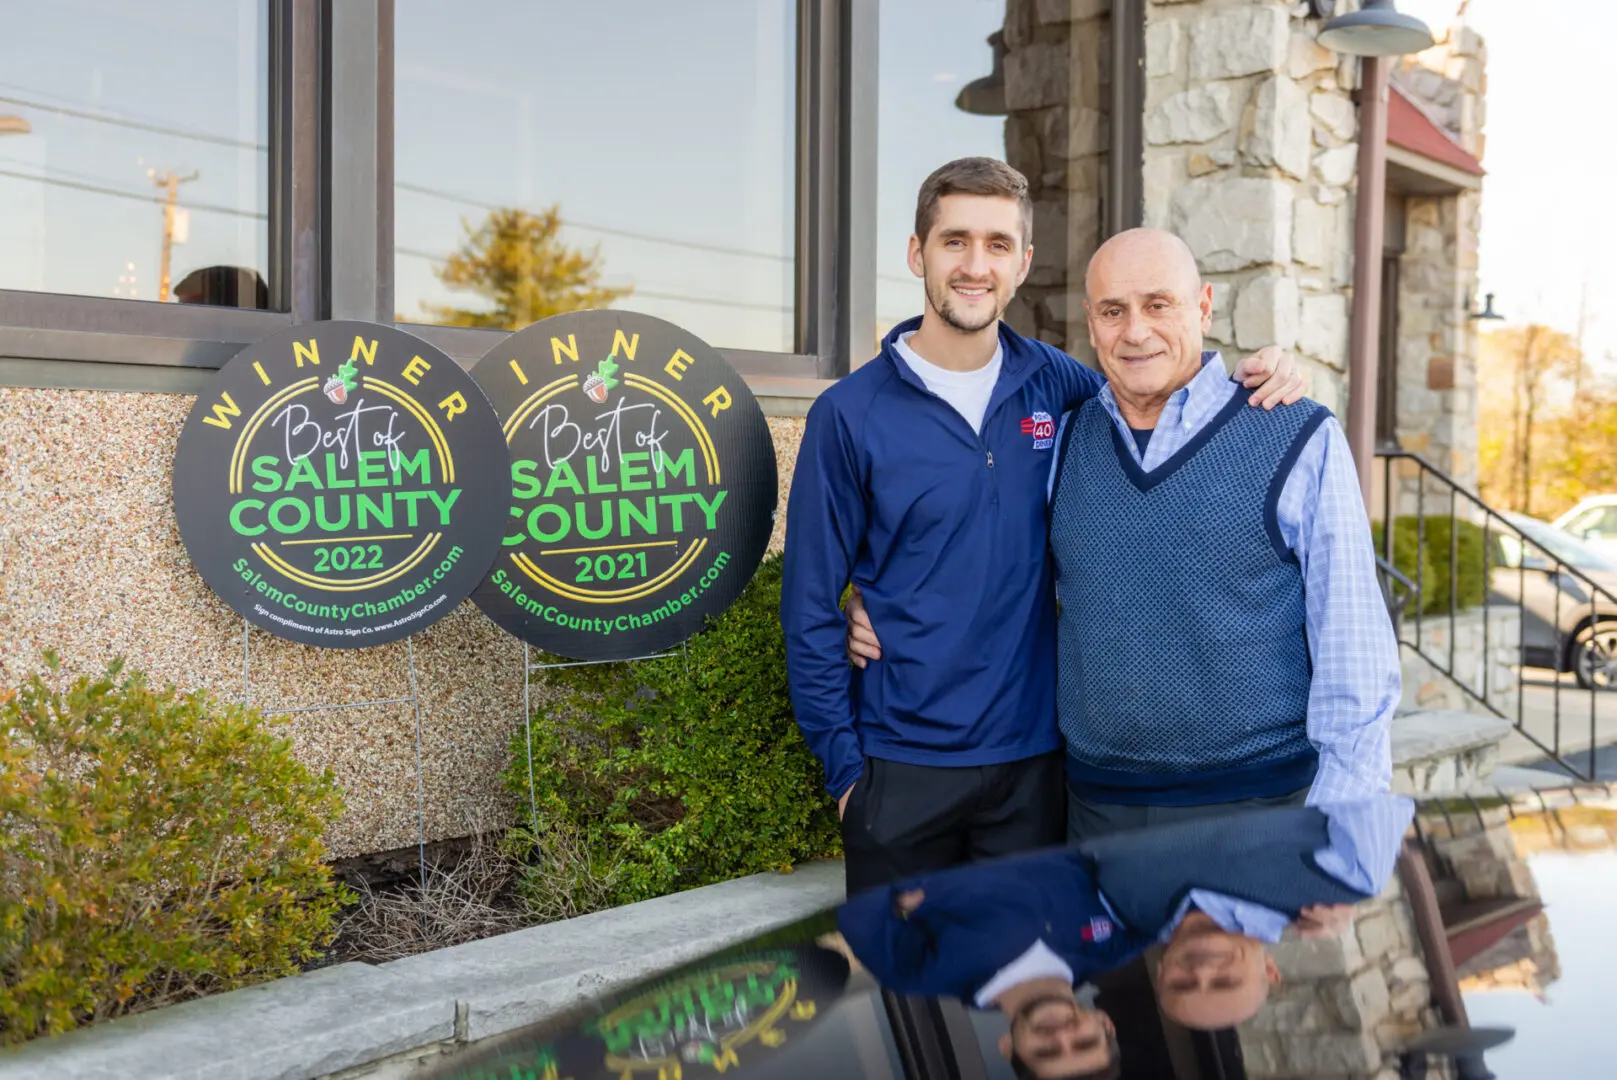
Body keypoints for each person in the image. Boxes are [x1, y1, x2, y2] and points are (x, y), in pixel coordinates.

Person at [781, 158, 1306, 897]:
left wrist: (1272, 366)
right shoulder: (848, 414)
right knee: (912, 1006)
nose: (974, 265)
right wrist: (845, 777)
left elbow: (1164, 394)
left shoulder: (1058, 384)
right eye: (953, 241)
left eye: (997, 245)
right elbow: (806, 606)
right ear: (915, 254)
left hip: (1037, 771)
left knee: (1031, 999)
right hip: (900, 772)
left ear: (1022, 264)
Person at [848, 227, 1400, 843]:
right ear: (1091, 321)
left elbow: (1353, 645)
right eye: (1114, 311)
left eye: (1158, 304)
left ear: (1204, 306)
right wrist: (883, 605)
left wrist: (1341, 824)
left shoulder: (1295, 433)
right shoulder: (1064, 439)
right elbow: (987, 565)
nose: (1135, 331)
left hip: (1257, 808)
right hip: (1093, 810)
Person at [836, 794, 1414, 1048]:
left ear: (1011, 1048)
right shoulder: (1330, 880)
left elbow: (861, 903)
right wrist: (1299, 909)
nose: (1201, 971)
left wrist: (922, 888)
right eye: (1224, 981)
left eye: (1050, 1052)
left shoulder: (920, 972)